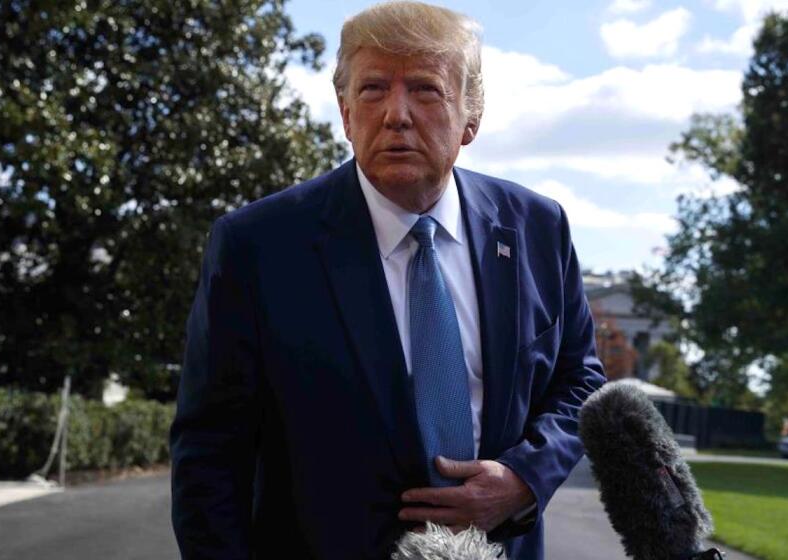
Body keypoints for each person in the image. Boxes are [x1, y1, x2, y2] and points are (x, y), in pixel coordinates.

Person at [169, 2, 607, 559]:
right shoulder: (258, 246)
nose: (396, 113)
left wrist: (526, 478)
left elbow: (580, 378)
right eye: (373, 89)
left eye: (425, 90)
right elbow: (210, 454)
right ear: (346, 111)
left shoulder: (537, 228)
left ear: (471, 116)